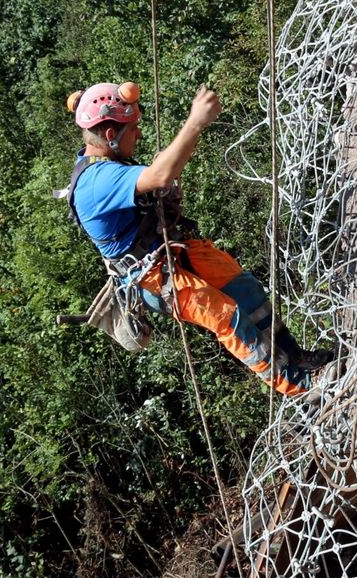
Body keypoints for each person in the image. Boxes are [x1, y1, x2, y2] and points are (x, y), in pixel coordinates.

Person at [61, 80, 329, 396]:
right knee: (227, 316)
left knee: (247, 291)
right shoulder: (96, 181)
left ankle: (297, 357)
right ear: (110, 135)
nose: (139, 134)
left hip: (173, 253)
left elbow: (159, 181)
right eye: (133, 129)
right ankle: (300, 387)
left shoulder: (107, 164)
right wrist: (196, 122)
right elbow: (160, 174)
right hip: (154, 276)